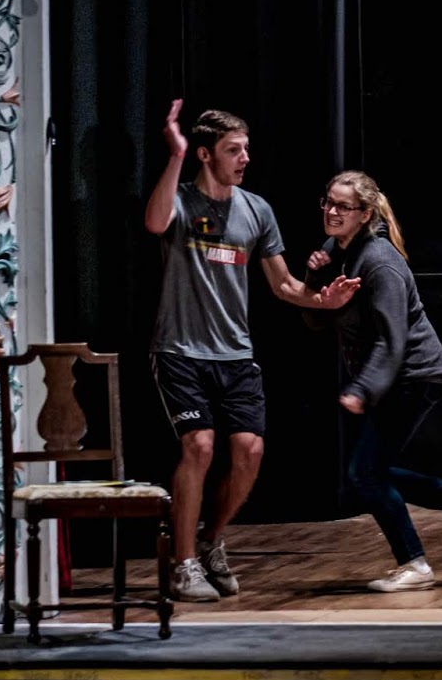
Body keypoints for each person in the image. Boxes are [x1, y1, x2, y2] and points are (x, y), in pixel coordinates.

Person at [144, 100, 360, 602]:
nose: (244, 158)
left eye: (246, 149)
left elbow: (283, 284)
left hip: (236, 354)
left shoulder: (257, 210)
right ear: (205, 154)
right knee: (199, 445)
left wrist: (322, 300)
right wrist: (174, 155)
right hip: (181, 351)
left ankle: (211, 538)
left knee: (250, 451)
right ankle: (183, 565)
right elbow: (154, 223)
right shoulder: (180, 200)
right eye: (233, 150)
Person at [301, 171, 442, 591]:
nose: (331, 212)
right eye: (328, 202)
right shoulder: (335, 252)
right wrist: (315, 279)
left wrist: (363, 388)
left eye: (343, 206)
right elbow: (317, 320)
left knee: (365, 473)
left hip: (415, 375)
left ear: (365, 214)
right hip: (393, 377)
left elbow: (393, 339)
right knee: (370, 470)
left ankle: (415, 564)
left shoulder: (380, 262)